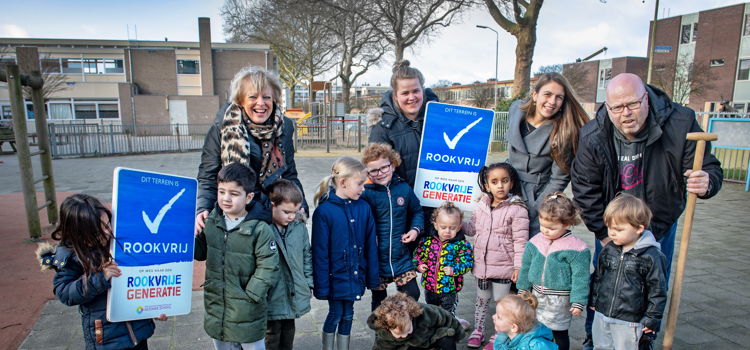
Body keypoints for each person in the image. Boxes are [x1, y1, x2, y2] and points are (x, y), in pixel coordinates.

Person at [571, 73, 723, 349]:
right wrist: (605, 234)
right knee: (605, 285)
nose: (625, 114)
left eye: (633, 104)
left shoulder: (680, 122)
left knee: (651, 286)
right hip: (613, 227)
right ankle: (595, 340)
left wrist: (706, 181)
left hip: (657, 225)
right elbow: (584, 188)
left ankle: (644, 339)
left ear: (646, 98)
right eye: (617, 108)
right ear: (607, 106)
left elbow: (709, 167)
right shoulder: (593, 134)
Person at [36, 194, 163, 349]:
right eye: (98, 231)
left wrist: (153, 308)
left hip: (138, 330)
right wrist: (100, 277)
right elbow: (64, 293)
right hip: (106, 336)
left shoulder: (119, 244)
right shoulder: (70, 256)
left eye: (107, 224)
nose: (107, 233)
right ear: (78, 234)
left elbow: (138, 282)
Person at [196, 66, 307, 235]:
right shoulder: (223, 127)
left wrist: (301, 206)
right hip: (236, 214)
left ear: (274, 100)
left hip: (272, 215)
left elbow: (289, 173)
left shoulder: (284, 128)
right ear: (240, 100)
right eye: (253, 97)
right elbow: (208, 175)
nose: (261, 103)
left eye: (267, 97)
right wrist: (202, 208)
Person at [194, 162, 280, 350]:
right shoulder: (211, 221)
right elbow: (199, 254)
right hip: (217, 305)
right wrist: (194, 235)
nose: (226, 198)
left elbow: (269, 266)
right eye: (221, 191)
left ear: (248, 197)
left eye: (233, 194)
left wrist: (251, 295)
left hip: (247, 308)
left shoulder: (260, 228)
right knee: (222, 344)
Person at [506, 73, 589, 237]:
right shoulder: (515, 110)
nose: (552, 102)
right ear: (535, 95)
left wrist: (536, 210)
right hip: (506, 190)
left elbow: (558, 179)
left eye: (559, 97)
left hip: (537, 198)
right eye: (548, 94)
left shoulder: (564, 130)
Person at [311, 156, 380, 350]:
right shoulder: (324, 212)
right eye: (360, 184)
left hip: (354, 276)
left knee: (348, 315)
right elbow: (320, 253)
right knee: (335, 315)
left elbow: (370, 247)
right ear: (342, 182)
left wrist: (372, 278)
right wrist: (322, 287)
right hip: (335, 279)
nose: (363, 189)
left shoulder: (364, 208)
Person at [463, 163, 530, 349]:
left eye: (504, 181)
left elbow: (520, 242)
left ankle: (499, 336)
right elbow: (472, 229)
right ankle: (478, 330)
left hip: (504, 267)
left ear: (511, 183)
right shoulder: (480, 206)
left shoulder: (517, 209)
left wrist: (518, 267)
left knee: (502, 303)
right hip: (482, 266)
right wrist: (458, 222)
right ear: (486, 185)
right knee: (481, 299)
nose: (500, 185)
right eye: (494, 182)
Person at [590, 194, 667, 350]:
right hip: (603, 314)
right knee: (600, 346)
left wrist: (652, 318)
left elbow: (658, 290)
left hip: (630, 319)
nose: (611, 233)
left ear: (639, 228)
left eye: (618, 229)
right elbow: (599, 276)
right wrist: (594, 299)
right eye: (609, 227)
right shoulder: (609, 249)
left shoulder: (651, 256)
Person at [516, 192, 590, 350]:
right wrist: (523, 288)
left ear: (566, 224)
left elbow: (581, 277)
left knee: (558, 333)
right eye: (542, 225)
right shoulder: (535, 242)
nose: (545, 231)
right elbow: (526, 266)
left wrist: (578, 301)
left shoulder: (577, 248)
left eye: (551, 227)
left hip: (559, 300)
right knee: (534, 329)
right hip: (535, 297)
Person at [360, 143, 424, 310]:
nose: (380, 173)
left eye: (384, 167)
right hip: (376, 259)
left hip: (401, 256)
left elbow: (417, 211)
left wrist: (414, 230)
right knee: (379, 302)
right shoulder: (365, 193)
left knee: (412, 294)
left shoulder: (404, 188)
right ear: (367, 173)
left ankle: (402, 325)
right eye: (374, 170)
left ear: (393, 165)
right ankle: (382, 333)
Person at [368, 60, 440, 189]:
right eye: (405, 93)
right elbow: (377, 174)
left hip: (438, 204)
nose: (412, 97)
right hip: (402, 205)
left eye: (416, 91)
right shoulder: (382, 128)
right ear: (395, 96)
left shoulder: (442, 120)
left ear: (423, 91)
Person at [264, 179, 313, 350]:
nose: (291, 216)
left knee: (289, 330)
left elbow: (307, 255)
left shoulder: (298, 228)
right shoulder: (264, 229)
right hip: (273, 295)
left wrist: (308, 283)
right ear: (272, 205)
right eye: (286, 212)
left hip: (293, 292)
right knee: (272, 333)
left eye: (295, 212)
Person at [413, 201, 474, 316]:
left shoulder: (461, 244)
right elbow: (417, 256)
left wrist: (454, 269)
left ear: (459, 227)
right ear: (435, 225)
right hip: (429, 287)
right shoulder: (427, 242)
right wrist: (419, 265)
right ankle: (435, 331)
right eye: (443, 227)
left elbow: (467, 262)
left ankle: (449, 331)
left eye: (452, 228)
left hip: (450, 288)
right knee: (432, 312)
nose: (447, 231)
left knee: (448, 314)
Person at [368, 292, 465, 350]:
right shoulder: (384, 333)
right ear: (387, 327)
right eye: (399, 335)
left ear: (411, 316)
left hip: (429, 338)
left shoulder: (424, 312)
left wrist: (459, 333)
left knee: (447, 337)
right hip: (406, 348)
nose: (405, 335)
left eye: (408, 330)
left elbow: (446, 317)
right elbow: (378, 348)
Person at [490, 292, 558, 350]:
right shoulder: (504, 338)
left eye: (499, 317)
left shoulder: (537, 345)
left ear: (513, 327)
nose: (493, 317)